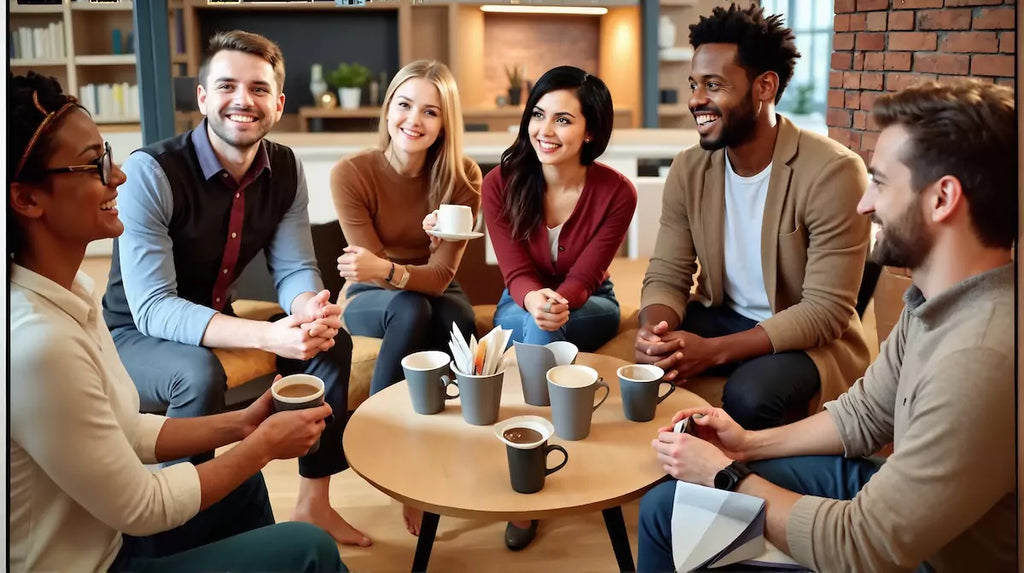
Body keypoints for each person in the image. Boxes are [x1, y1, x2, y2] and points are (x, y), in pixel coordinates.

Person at [637, 79, 1017, 572]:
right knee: (668, 507)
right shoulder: (932, 301)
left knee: (689, 506)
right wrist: (746, 443)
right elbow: (862, 416)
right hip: (891, 506)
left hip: (924, 557)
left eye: (879, 183)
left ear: (942, 198)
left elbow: (862, 547)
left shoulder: (982, 357)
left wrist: (728, 474)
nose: (864, 205)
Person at [8, 71, 345, 573]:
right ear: (28, 200)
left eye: (109, 155)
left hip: (108, 535)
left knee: (245, 487)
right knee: (308, 549)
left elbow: (126, 430)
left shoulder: (71, 293)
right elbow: (143, 506)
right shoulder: (38, 343)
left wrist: (243, 422)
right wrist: (260, 446)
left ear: (278, 102)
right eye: (94, 164)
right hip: (94, 561)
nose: (117, 175)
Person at [101, 31, 370, 547]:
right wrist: (270, 337)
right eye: (226, 85)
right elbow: (154, 308)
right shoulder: (150, 171)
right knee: (195, 375)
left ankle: (315, 503)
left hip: (215, 322)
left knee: (331, 344)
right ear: (203, 98)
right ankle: (176, 527)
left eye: (259, 89)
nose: (243, 100)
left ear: (278, 103)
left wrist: (308, 310)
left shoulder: (286, 167)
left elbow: (294, 267)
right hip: (132, 333)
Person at [635, 3, 871, 431]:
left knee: (750, 394)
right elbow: (668, 271)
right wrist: (657, 333)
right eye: (693, 84)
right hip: (724, 311)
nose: (695, 100)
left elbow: (825, 311)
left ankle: (740, 490)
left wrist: (714, 350)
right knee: (637, 356)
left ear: (764, 87)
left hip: (803, 334)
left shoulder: (833, 172)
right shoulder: (690, 169)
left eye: (714, 85)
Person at [482, 66, 637, 551]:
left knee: (538, 329)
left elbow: (586, 277)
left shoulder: (617, 192)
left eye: (563, 120)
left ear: (591, 130)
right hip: (518, 302)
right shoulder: (499, 183)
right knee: (534, 326)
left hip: (590, 304)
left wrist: (559, 302)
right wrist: (537, 301)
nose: (545, 131)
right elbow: (513, 273)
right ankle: (563, 456)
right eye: (538, 114)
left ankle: (524, 471)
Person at [329, 59, 482, 536]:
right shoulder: (351, 173)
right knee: (413, 307)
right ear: (388, 109)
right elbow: (370, 274)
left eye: (430, 112)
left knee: (458, 319)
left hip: (424, 286)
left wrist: (427, 252)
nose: (414, 120)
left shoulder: (463, 176)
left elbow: (439, 278)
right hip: (369, 298)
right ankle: (386, 446)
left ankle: (454, 450)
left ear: (445, 123)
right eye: (404, 105)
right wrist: (405, 268)